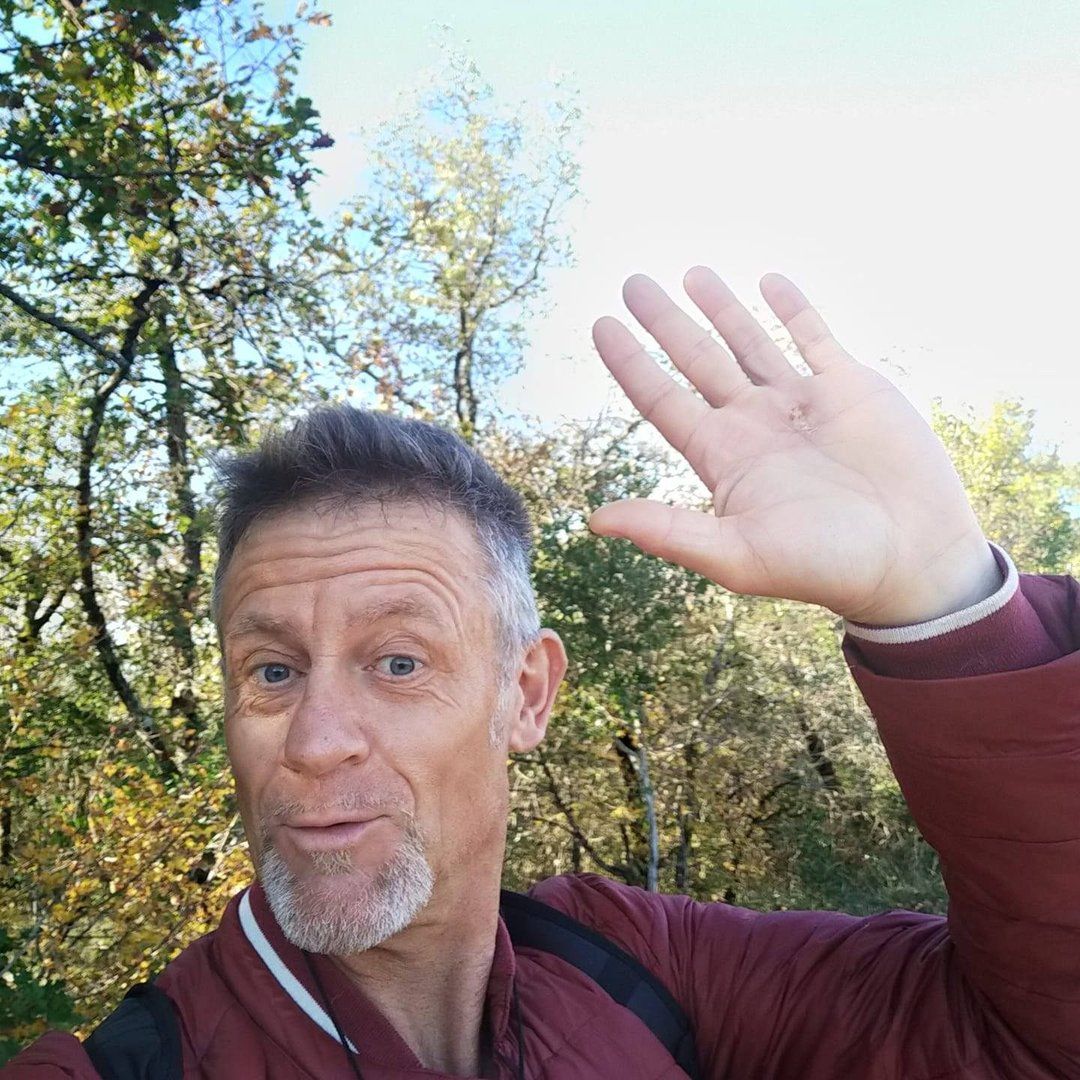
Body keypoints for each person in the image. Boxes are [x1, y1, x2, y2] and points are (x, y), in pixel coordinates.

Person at [5, 267, 1078, 1079]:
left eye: (397, 661)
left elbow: (1026, 1037)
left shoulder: (647, 971)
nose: (315, 740)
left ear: (525, 695)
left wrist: (942, 601)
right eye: (273, 672)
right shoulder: (125, 1065)